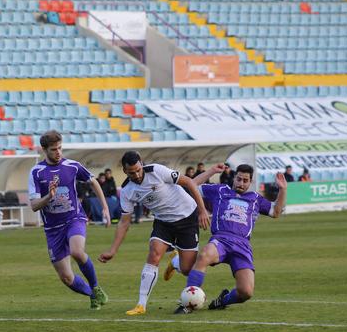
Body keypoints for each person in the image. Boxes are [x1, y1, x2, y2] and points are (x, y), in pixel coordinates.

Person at [98, 151, 210, 315]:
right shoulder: (127, 191)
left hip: (187, 216)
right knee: (154, 254)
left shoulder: (157, 171)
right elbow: (124, 223)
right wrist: (112, 250)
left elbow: (189, 182)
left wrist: (202, 211)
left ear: (141, 164)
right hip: (163, 222)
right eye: (131, 172)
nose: (136, 174)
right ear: (124, 171)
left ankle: (175, 263)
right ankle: (141, 305)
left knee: (187, 269)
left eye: (138, 170)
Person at [178, 164, 287, 314]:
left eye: (245, 180)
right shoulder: (220, 190)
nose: (241, 183)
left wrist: (282, 189)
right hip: (221, 240)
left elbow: (276, 212)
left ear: (250, 182)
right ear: (234, 178)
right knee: (204, 256)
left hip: (242, 245)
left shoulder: (255, 199)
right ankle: (187, 303)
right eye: (239, 179)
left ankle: (222, 301)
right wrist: (211, 171)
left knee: (246, 292)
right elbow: (192, 185)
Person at [28, 130, 110, 310]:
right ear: (44, 150)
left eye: (60, 148)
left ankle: (96, 287)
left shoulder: (72, 166)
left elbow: (93, 181)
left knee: (77, 252)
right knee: (66, 277)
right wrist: (48, 197)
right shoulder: (36, 172)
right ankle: (92, 294)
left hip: (74, 219)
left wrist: (105, 207)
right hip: (53, 229)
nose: (58, 152)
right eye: (53, 149)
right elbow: (34, 206)